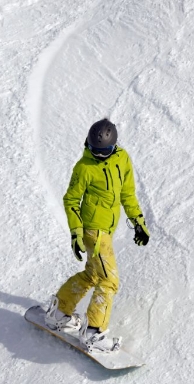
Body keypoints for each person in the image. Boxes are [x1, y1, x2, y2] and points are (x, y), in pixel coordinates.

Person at [44, 118, 150, 353]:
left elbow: (128, 194)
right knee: (109, 281)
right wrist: (76, 233)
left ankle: (59, 312)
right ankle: (93, 332)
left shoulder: (122, 159)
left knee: (93, 274)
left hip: (108, 230)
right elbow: (71, 200)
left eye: (106, 151)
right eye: (96, 151)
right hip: (93, 230)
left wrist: (138, 223)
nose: (101, 156)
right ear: (89, 145)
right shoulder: (84, 167)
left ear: (114, 146)